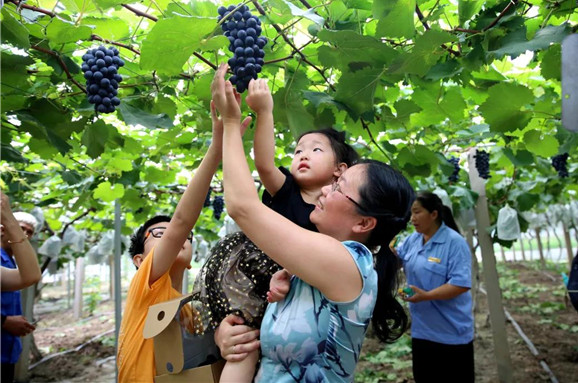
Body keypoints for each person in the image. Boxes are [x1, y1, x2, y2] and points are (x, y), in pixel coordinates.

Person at [210, 63, 414, 382]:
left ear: (364, 223)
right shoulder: (301, 274)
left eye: (338, 186)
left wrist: (232, 123)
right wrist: (232, 336)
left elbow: (241, 207)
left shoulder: (350, 265)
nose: (326, 188)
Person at [193, 78, 359, 380]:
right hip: (247, 278)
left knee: (250, 345)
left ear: (340, 170)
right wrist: (264, 111)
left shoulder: (336, 224)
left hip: (278, 290)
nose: (302, 155)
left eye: (316, 150)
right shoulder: (286, 191)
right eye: (298, 151)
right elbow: (265, 164)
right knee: (244, 343)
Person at [116, 101, 251, 383]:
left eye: (184, 238)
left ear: (191, 265)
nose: (174, 237)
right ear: (139, 262)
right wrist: (217, 148)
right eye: (158, 234)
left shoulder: (190, 310)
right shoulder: (146, 289)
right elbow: (180, 223)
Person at [396, 191, 474, 382]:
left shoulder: (454, 243)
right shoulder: (412, 240)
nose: (412, 218)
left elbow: (460, 284)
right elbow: (397, 260)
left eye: (417, 212)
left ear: (434, 214)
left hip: (452, 334)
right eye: (411, 213)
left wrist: (426, 295)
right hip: (422, 332)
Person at [1, 194, 42, 383]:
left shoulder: (10, 262)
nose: (24, 234)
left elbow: (31, 276)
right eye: (20, 229)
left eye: (29, 232)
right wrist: (4, 321)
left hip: (7, 349)